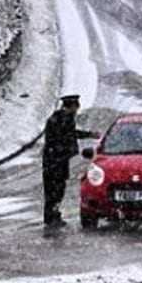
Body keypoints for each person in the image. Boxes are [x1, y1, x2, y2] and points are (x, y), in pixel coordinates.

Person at [42, 94, 99, 228]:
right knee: (55, 190)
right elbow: (67, 135)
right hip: (56, 161)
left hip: (55, 160)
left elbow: (70, 133)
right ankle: (51, 216)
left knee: (55, 189)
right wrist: (87, 136)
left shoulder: (60, 118)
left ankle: (52, 215)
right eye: (76, 107)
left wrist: (88, 134)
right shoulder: (62, 119)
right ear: (72, 106)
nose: (77, 110)